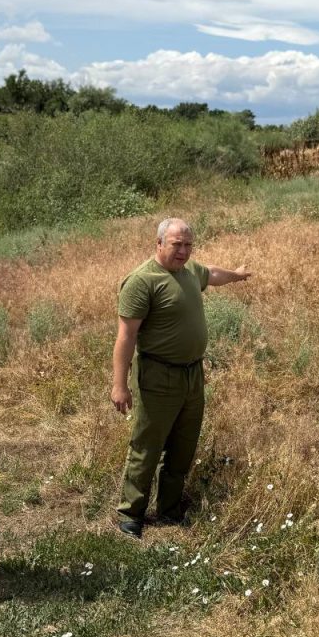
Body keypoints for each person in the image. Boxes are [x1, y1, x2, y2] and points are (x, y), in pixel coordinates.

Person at [112, 217, 251, 539]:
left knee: (183, 447)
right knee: (147, 447)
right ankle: (131, 513)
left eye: (189, 245)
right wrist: (119, 384)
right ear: (159, 243)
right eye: (177, 245)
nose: (184, 251)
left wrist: (237, 275)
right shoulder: (142, 281)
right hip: (158, 377)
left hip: (192, 376)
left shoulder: (189, 271)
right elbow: (125, 337)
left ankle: (169, 509)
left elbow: (211, 273)